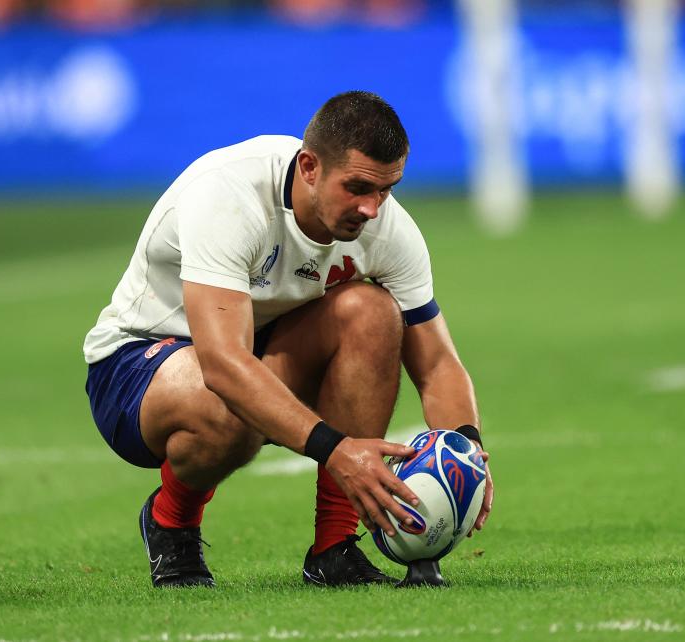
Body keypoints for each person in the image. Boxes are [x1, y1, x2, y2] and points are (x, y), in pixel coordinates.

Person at [83, 90, 493, 588]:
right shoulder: (229, 196)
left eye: (386, 190)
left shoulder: (387, 229)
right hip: (137, 364)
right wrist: (338, 450)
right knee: (226, 400)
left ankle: (334, 549)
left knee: (373, 313)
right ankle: (172, 520)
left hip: (247, 351)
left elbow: (437, 365)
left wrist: (467, 451)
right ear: (309, 167)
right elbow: (223, 364)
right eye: (358, 187)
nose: (371, 208)